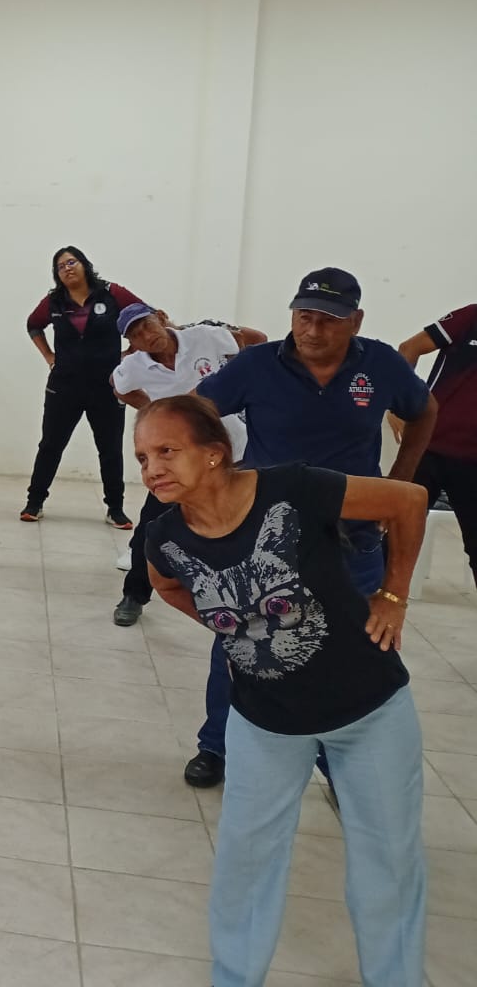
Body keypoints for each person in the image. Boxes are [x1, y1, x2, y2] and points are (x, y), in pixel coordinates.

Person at [139, 394, 427, 987]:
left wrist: (393, 594)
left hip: (368, 711)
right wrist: (237, 630)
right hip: (266, 722)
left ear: (214, 453)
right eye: (142, 457)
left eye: (167, 451)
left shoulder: (291, 489)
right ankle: (235, 977)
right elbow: (167, 587)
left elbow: (408, 500)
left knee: (388, 858)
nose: (152, 468)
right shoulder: (165, 538)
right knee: (247, 859)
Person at [188, 267, 437, 790]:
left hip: (354, 539)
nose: (313, 330)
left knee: (352, 651)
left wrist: (398, 481)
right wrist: (218, 477)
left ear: (356, 322)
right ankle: (217, 745)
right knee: (242, 642)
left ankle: (336, 762)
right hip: (263, 541)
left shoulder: (381, 366)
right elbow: (195, 414)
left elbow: (424, 410)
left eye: (329, 320)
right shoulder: (257, 365)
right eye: (304, 316)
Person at [108, 304, 266, 626]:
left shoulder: (204, 337)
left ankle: (251, 600)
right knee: (151, 528)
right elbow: (118, 386)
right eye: (136, 335)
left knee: (247, 527)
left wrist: (241, 380)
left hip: (232, 452)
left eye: (147, 325)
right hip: (175, 462)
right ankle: (134, 594)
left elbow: (257, 339)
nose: (146, 336)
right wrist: (152, 410)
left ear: (161, 318)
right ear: (131, 343)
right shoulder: (135, 366)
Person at [22, 246, 142, 528]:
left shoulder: (112, 293)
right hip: (64, 385)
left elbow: (143, 317)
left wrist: (131, 352)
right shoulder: (54, 301)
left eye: (71, 262)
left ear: (84, 264)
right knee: (51, 445)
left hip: (107, 386)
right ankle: (34, 503)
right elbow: (33, 325)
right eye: (60, 266)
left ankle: (115, 509)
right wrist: (49, 356)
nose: (67, 268)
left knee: (110, 448)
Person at [393, 300, 477, 581]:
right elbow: (409, 348)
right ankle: (371, 604)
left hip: (472, 461)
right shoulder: (472, 316)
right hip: (427, 448)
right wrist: (399, 405)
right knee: (390, 535)